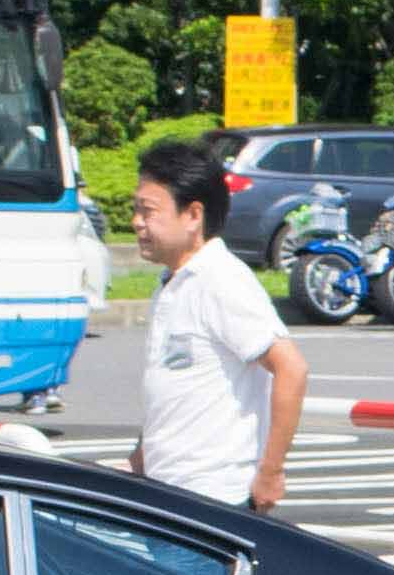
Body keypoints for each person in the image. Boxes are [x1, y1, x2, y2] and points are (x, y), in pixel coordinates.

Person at [130, 133, 304, 514]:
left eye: (148, 211)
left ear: (193, 215)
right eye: (136, 210)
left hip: (213, 498)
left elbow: (291, 368)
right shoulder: (174, 281)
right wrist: (143, 454)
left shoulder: (221, 280)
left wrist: (271, 471)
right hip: (169, 490)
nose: (137, 222)